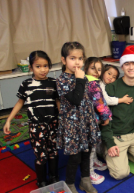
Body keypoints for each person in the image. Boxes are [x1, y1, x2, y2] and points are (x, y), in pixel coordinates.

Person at [3, 51, 60, 187]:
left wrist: (63, 116)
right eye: (38, 66)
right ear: (31, 68)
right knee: (41, 155)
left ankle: (54, 176)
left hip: (53, 124)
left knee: (53, 151)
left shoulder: (53, 83)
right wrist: (9, 119)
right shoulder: (26, 84)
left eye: (45, 66)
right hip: (36, 126)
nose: (43, 69)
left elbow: (58, 101)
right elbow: (20, 102)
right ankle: (41, 181)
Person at [101, 45, 134, 180]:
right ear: (122, 66)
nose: (131, 67)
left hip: (133, 133)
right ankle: (104, 150)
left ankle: (124, 154)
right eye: (127, 64)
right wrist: (109, 142)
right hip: (115, 135)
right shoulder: (111, 88)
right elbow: (104, 118)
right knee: (120, 174)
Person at [56, 42, 98, 193]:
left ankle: (85, 181)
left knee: (86, 153)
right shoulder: (62, 80)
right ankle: (70, 184)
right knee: (75, 157)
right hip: (72, 124)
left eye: (80, 58)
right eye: (72, 58)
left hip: (85, 121)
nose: (77, 62)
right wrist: (80, 79)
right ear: (63, 60)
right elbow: (75, 99)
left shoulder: (82, 76)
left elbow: (87, 99)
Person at [84, 57, 112, 185]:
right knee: (91, 147)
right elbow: (99, 102)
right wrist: (106, 117)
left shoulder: (87, 81)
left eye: (99, 69)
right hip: (91, 121)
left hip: (90, 120)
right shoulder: (92, 84)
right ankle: (89, 173)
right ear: (86, 68)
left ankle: (94, 161)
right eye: (92, 68)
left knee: (93, 145)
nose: (96, 71)